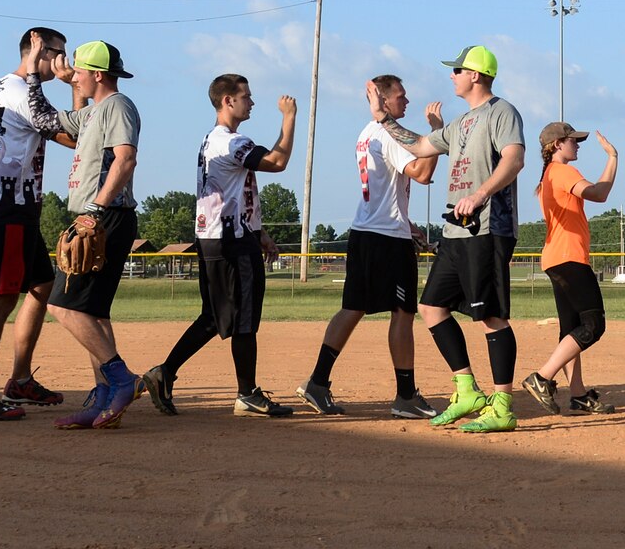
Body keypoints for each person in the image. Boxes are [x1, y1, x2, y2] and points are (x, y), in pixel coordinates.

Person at [365, 45, 526, 433]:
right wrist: (384, 119)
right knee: (432, 307)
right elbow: (421, 146)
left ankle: (502, 404)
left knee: (491, 317)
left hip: (487, 227)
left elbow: (514, 158)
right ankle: (467, 388)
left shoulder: (501, 111)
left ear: (475, 75)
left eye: (457, 69)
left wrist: (481, 193)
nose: (451, 75)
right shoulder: (461, 122)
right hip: (456, 230)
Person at [139, 75, 298, 418]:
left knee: (213, 317)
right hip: (231, 244)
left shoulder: (210, 141)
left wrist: (260, 231)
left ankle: (164, 372)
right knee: (244, 320)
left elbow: (233, 194)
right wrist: (289, 118)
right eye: (246, 96)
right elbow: (276, 162)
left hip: (216, 238)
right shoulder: (231, 141)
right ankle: (247, 394)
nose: (252, 102)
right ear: (228, 101)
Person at [299, 73, 442, 420]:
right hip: (385, 240)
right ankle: (405, 395)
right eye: (400, 97)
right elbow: (422, 174)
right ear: (383, 99)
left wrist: (408, 224)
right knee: (403, 312)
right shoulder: (386, 134)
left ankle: (318, 382)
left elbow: (385, 189)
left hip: (368, 231)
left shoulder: (366, 133)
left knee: (353, 308)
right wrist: (437, 135)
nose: (406, 102)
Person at [0, 27, 76, 421]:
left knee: (41, 282)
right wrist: (71, 84)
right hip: (9, 206)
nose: (63, 61)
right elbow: (74, 136)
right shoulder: (23, 92)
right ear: (38, 50)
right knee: (2, 296)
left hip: (7, 204)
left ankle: (20, 378)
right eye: (58, 53)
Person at [45, 40, 143, 430]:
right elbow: (63, 122)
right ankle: (103, 396)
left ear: (98, 75)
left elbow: (125, 159)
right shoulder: (95, 111)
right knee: (94, 313)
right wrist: (62, 81)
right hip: (97, 216)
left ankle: (122, 380)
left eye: (81, 71)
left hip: (105, 216)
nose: (76, 75)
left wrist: (94, 212)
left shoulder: (118, 106)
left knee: (63, 306)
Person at [522, 124, 620, 415]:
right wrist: (613, 157)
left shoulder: (548, 175)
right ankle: (542, 377)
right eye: (572, 141)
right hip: (569, 258)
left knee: (571, 331)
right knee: (593, 325)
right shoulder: (563, 172)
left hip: (557, 258)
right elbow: (599, 194)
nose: (577, 145)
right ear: (556, 145)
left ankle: (577, 394)